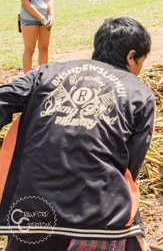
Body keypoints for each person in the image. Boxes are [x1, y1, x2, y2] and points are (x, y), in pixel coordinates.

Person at [0, 17, 154, 251]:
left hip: (31, 217)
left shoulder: (45, 74)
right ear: (131, 56)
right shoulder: (139, 94)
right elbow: (130, 170)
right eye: (141, 62)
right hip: (96, 222)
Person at [15, 0, 54, 72]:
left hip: (46, 18)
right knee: (30, 49)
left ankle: (43, 75)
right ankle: (27, 79)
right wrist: (41, 18)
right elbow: (26, 4)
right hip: (29, 19)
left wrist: (51, 15)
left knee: (44, 48)